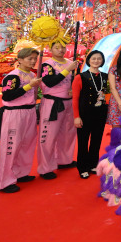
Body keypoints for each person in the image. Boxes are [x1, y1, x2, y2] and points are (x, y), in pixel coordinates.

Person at [0, 47, 41, 193]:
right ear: (19, 60)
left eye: (34, 59)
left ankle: (21, 173)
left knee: (27, 144)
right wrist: (28, 86)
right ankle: (5, 182)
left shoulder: (31, 75)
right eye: (29, 58)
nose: (32, 61)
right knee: (11, 147)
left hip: (30, 112)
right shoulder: (13, 76)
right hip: (15, 114)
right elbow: (7, 96)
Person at [37, 40, 79, 179]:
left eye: (63, 47)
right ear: (51, 49)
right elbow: (50, 81)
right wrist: (68, 69)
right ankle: (45, 168)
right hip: (52, 103)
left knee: (68, 134)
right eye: (57, 47)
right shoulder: (47, 64)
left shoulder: (69, 62)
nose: (61, 50)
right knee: (48, 136)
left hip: (69, 102)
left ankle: (64, 160)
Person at [72, 50, 109, 179]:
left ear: (102, 61)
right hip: (84, 114)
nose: (96, 61)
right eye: (93, 58)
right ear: (88, 61)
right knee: (83, 141)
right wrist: (76, 117)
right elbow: (75, 98)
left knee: (96, 140)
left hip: (100, 113)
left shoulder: (105, 76)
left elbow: (108, 94)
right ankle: (82, 167)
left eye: (99, 58)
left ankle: (93, 164)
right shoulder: (80, 77)